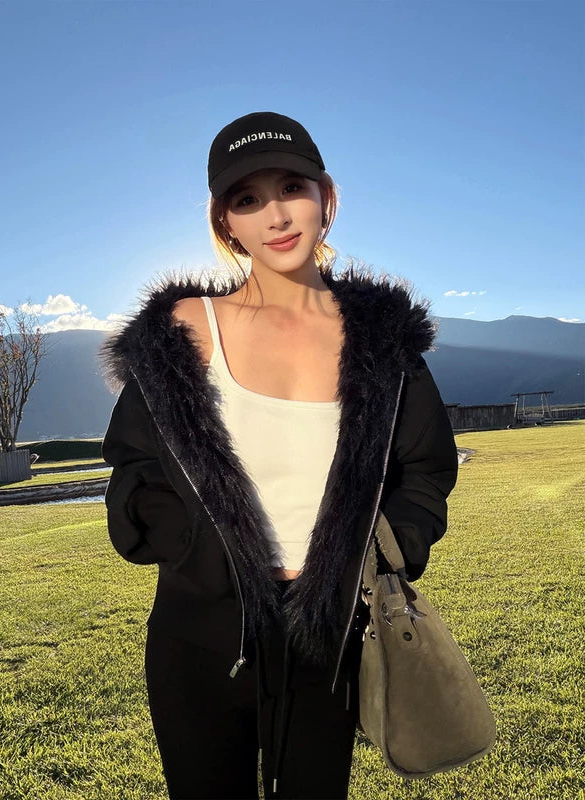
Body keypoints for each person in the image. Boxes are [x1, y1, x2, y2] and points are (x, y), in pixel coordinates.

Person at [99, 111, 458, 800]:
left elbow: (425, 470)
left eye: (292, 186)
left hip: (330, 637)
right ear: (225, 223)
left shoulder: (384, 343)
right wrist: (195, 553)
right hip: (199, 640)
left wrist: (380, 551)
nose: (276, 215)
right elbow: (135, 471)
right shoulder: (183, 331)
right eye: (247, 198)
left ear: (326, 196)